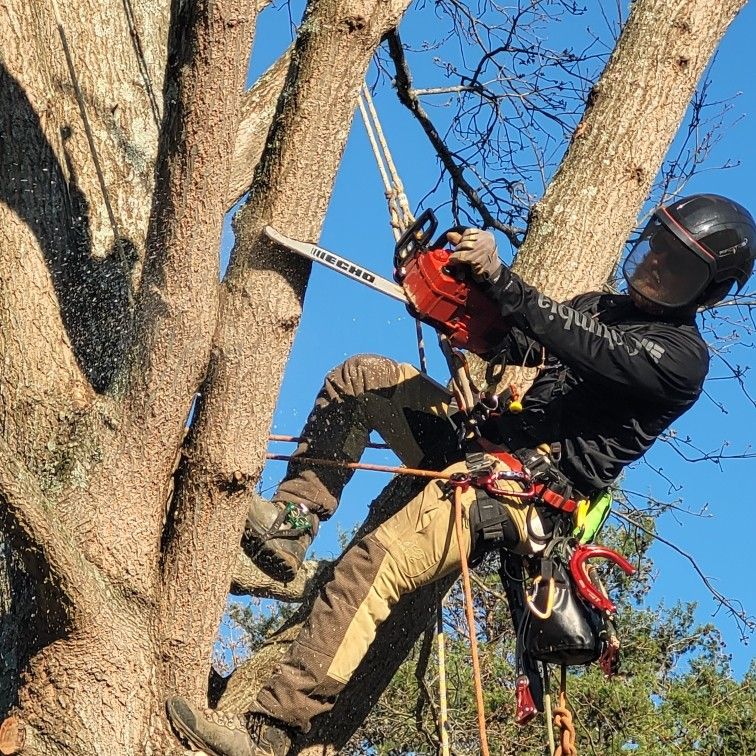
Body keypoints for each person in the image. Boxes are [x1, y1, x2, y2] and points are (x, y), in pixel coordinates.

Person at [167, 194, 756, 756]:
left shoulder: (681, 359)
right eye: (656, 247)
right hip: (479, 439)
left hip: (519, 495)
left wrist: (503, 278)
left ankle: (270, 731)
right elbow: (521, 340)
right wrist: (456, 294)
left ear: (706, 291)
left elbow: (585, 346)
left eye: (675, 266)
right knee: (362, 379)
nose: (655, 264)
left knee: (376, 565)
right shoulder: (597, 305)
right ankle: (294, 523)